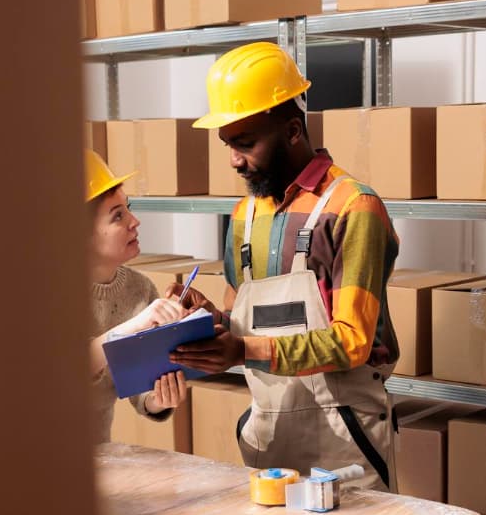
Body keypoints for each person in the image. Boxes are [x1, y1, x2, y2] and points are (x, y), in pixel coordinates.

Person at [168, 42, 401, 490]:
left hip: (344, 440)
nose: (235, 159)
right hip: (269, 439)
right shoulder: (243, 215)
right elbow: (241, 324)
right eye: (227, 144)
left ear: (293, 131)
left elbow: (352, 342)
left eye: (246, 143)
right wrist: (205, 321)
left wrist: (241, 351)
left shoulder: (355, 208)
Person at [84, 149, 188, 445]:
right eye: (118, 216)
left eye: (128, 208)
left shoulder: (140, 292)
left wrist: (160, 397)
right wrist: (135, 327)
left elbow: (141, 391)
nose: (134, 221)